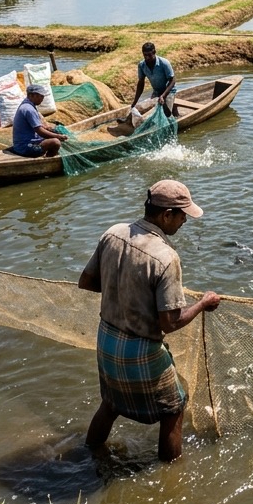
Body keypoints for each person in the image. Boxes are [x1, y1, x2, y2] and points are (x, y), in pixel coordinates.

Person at [78, 179, 220, 461]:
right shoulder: (166, 257)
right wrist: (203, 303)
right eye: (182, 216)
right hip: (140, 350)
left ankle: (90, 453)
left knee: (111, 403)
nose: (184, 222)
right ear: (166, 215)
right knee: (174, 407)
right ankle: (171, 476)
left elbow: (87, 281)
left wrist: (126, 293)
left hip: (107, 340)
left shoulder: (114, 233)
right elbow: (171, 322)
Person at [11, 84, 65, 157]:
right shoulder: (29, 109)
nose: (42, 99)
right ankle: (49, 158)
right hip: (25, 147)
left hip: (21, 144)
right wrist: (58, 136)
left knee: (53, 133)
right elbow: (39, 131)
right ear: (31, 95)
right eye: (41, 96)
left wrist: (49, 129)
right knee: (55, 142)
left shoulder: (27, 105)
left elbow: (37, 126)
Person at [131, 41, 176, 117]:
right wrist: (135, 101)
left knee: (166, 115)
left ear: (154, 52)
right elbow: (141, 83)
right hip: (157, 91)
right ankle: (174, 108)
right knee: (152, 112)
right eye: (145, 55)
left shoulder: (164, 63)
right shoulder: (142, 65)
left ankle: (173, 108)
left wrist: (163, 96)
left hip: (168, 91)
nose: (147, 57)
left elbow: (172, 80)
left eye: (149, 55)